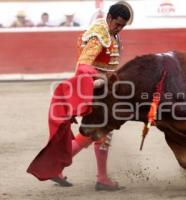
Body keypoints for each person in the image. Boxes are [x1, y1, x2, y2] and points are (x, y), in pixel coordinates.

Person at [27, 3, 131, 191]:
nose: (119, 28)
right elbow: (83, 65)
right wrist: (99, 80)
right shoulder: (98, 37)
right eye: (117, 24)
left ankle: (63, 170)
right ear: (109, 18)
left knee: (97, 133)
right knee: (96, 133)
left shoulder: (109, 31)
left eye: (122, 26)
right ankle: (96, 177)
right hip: (95, 89)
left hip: (103, 89)